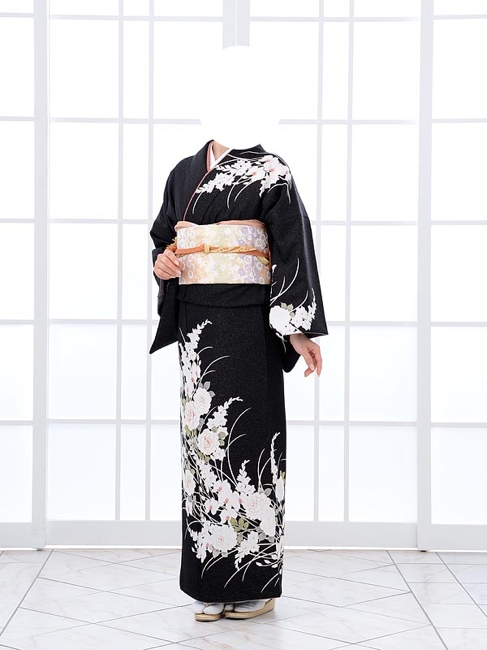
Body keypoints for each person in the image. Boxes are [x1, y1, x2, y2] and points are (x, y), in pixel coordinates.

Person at [149, 139, 328, 622]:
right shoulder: (184, 171)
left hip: (251, 323)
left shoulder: (271, 170)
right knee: (204, 450)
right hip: (197, 324)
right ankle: (208, 582)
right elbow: (164, 239)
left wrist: (297, 331)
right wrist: (164, 261)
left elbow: (291, 246)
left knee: (250, 438)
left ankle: (255, 582)